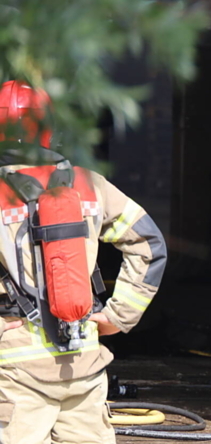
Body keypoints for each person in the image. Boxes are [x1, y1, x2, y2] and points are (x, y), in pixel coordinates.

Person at [0, 81, 166, 444]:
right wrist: (118, 317)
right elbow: (150, 245)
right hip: (84, 357)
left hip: (16, 367)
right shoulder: (89, 184)